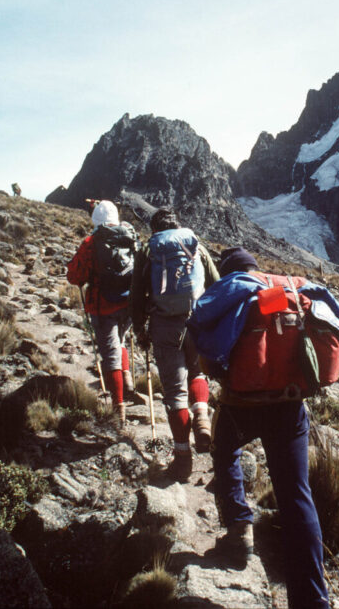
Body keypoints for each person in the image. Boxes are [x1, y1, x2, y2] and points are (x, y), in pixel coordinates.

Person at [188, 247, 339, 609]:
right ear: (255, 266)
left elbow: (200, 323)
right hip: (290, 404)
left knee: (224, 451)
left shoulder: (234, 284)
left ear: (229, 270)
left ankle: (239, 530)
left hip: (244, 404)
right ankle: (313, 600)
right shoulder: (290, 286)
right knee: (297, 497)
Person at [130, 206, 219, 481]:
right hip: (196, 322)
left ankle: (182, 460)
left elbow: (136, 295)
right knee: (197, 372)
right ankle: (202, 418)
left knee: (174, 392)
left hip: (165, 326)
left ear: (155, 229)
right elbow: (217, 284)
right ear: (177, 224)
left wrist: (140, 330)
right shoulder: (196, 246)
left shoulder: (150, 250)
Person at [66, 200, 138, 424]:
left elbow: (74, 277)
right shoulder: (129, 236)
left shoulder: (91, 243)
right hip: (128, 303)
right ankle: (127, 383)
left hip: (103, 305)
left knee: (110, 355)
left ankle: (118, 409)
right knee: (121, 341)